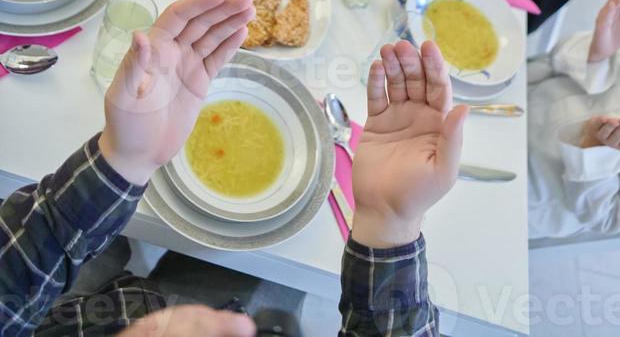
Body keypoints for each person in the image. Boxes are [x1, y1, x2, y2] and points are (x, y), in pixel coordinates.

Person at [0, 22, 466, 335]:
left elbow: (10, 283)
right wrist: (388, 228)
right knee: (264, 284)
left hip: (71, 316)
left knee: (112, 249)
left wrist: (122, 158)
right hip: (176, 310)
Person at [528, 0, 620, 239]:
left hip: (527, 193)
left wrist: (596, 149)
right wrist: (597, 53)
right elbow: (553, 60)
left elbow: (606, 215)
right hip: (514, 101)